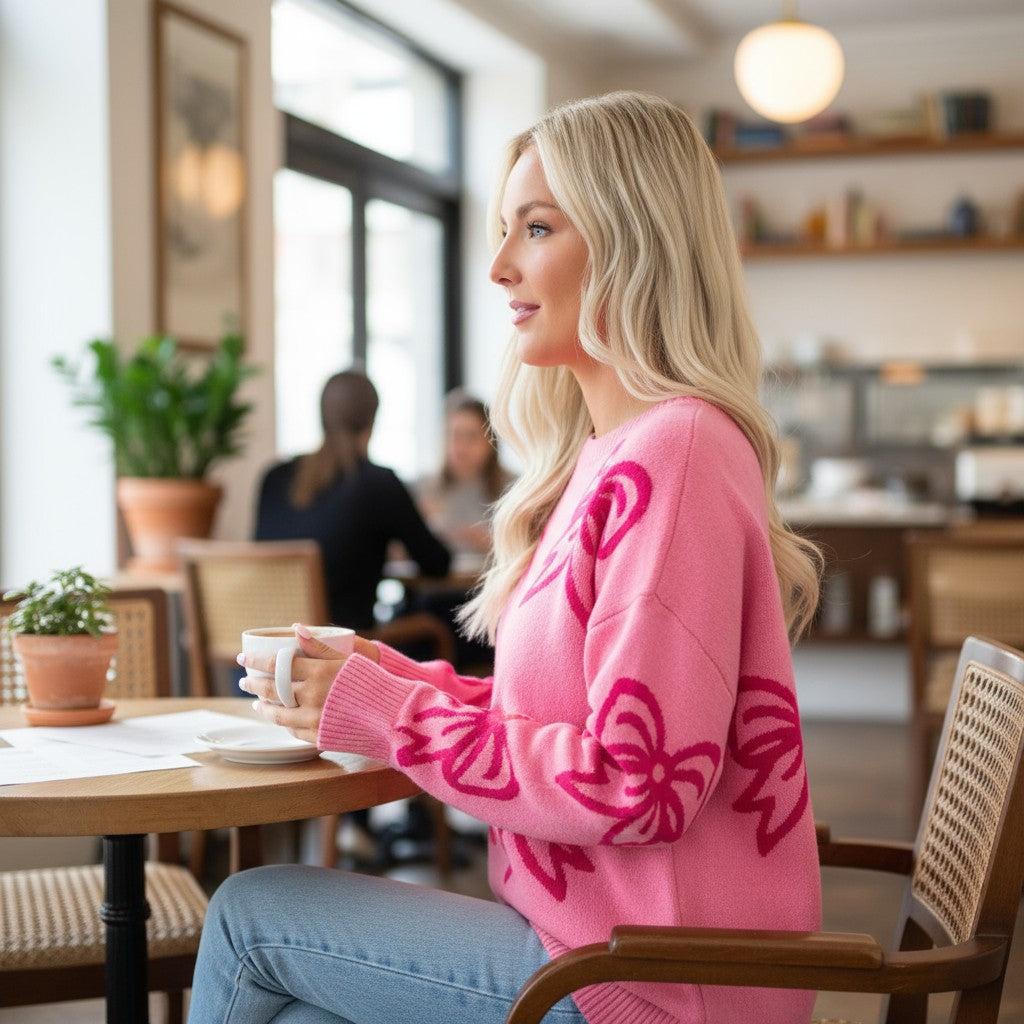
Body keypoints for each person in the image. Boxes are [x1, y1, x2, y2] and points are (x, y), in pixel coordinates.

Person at [190, 91, 823, 1024]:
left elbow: (633, 780)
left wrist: (391, 714)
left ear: (629, 239)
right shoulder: (616, 456)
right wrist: (382, 677)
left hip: (639, 981)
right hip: (592, 945)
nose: (497, 268)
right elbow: (564, 718)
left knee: (250, 919)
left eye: (535, 228)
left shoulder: (674, 454)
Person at [254, 368, 452, 632]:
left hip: (268, 651)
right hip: (341, 652)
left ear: (322, 416)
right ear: (372, 420)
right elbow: (437, 563)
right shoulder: (379, 483)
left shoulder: (273, 478)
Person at [413, 389, 513, 569]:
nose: (461, 448)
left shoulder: (515, 488)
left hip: (493, 588)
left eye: (471, 437)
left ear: (491, 441)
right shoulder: (422, 488)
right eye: (454, 436)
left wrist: (489, 543)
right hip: (433, 589)